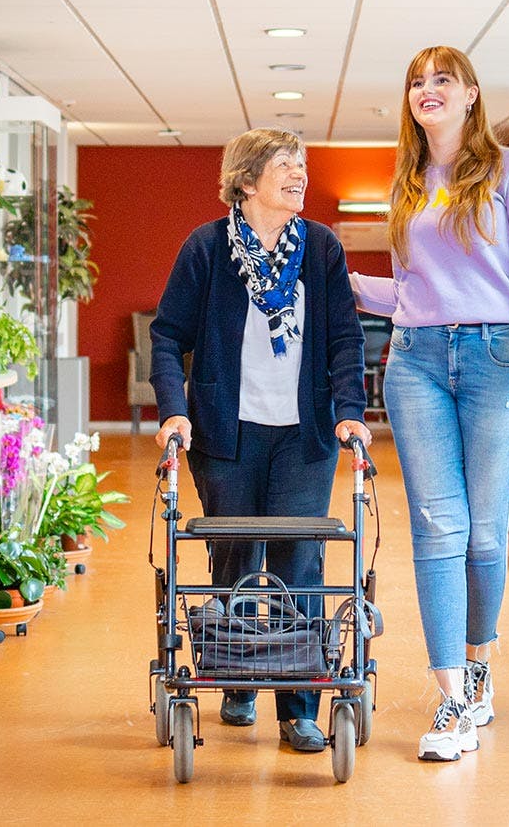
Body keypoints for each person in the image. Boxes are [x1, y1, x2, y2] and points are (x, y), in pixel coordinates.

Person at [351, 46, 509, 762]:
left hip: (497, 361)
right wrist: (344, 278)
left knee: (480, 532)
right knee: (436, 525)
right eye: (416, 81)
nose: (427, 90)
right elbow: (413, 292)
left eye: (442, 79)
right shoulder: (409, 181)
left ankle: (478, 665)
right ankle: (450, 699)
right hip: (414, 361)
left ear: (472, 94)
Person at [151, 127, 372, 754]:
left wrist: (350, 411)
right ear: (247, 181)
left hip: (304, 436)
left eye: (302, 164)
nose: (299, 174)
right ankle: (238, 678)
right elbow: (166, 336)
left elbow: (345, 340)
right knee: (236, 560)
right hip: (227, 434)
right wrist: (174, 412)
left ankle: (299, 706)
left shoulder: (320, 248)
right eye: (284, 164)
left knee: (300, 564)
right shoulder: (207, 248)